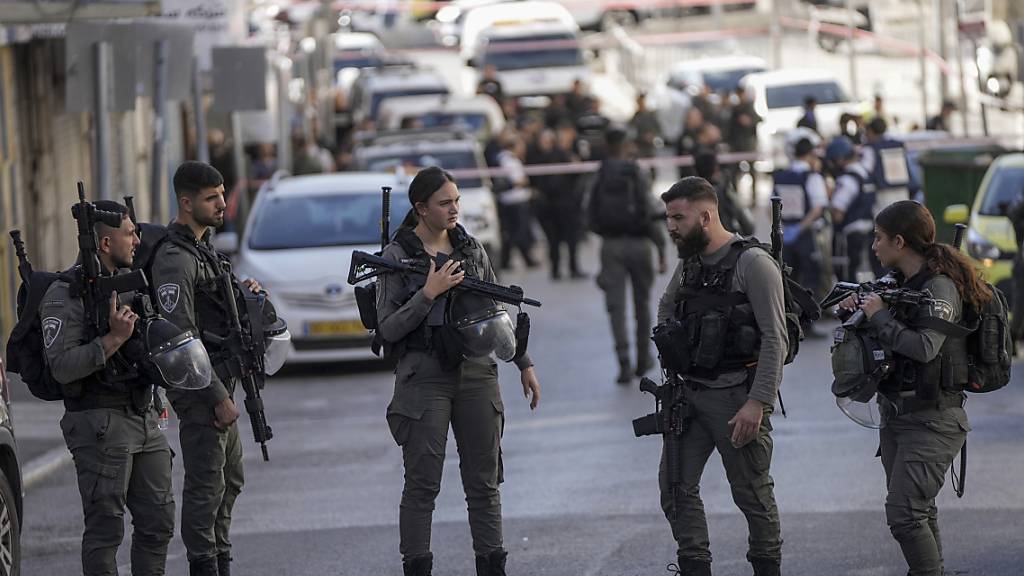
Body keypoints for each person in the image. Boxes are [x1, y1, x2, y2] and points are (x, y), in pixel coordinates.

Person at [376, 166, 541, 576]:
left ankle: (492, 564)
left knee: (484, 482)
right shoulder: (396, 258)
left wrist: (523, 362)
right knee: (422, 484)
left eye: (456, 201)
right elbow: (387, 328)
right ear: (421, 208)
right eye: (444, 203)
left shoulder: (470, 249)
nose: (454, 210)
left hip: (476, 371)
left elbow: (495, 309)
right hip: (424, 375)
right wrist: (428, 293)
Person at [838, 200, 985, 576]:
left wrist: (879, 316)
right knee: (919, 510)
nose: (874, 246)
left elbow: (924, 347)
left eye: (879, 238)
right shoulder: (898, 283)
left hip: (933, 418)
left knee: (904, 514)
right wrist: (858, 312)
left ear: (899, 242)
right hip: (897, 415)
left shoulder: (939, 286)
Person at [656, 177, 787, 576]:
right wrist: (676, 348)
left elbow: (775, 339)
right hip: (689, 396)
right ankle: (695, 565)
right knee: (675, 489)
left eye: (678, 218)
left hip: (736, 400)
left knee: (752, 495)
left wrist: (757, 402)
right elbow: (666, 307)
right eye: (668, 218)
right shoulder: (691, 262)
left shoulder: (753, 264)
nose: (671, 227)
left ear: (706, 216)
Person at [41, 201, 176, 575]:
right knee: (105, 531)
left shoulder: (130, 284)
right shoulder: (64, 294)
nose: (136, 240)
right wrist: (112, 340)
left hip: (144, 416)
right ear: (104, 242)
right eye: (129, 233)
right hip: (99, 422)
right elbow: (61, 366)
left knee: (158, 522)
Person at [149, 162, 264, 576]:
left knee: (230, 479)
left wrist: (246, 295)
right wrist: (216, 397)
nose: (221, 204)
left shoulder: (204, 250)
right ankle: (204, 564)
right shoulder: (175, 260)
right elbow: (180, 336)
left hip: (218, 381)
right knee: (206, 488)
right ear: (186, 202)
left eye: (222, 194)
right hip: (199, 389)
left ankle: (220, 558)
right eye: (211, 197)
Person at [589, 127, 667, 384]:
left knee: (616, 307)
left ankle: (623, 362)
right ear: (626, 145)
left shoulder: (601, 173)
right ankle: (643, 358)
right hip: (640, 244)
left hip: (611, 246)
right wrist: (661, 248)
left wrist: (606, 234)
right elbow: (648, 209)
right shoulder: (637, 172)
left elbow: (589, 213)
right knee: (642, 304)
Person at [773, 136, 828, 303]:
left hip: (785, 234)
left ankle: (791, 314)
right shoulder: (812, 177)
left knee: (789, 279)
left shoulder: (781, 176)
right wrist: (800, 228)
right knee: (811, 279)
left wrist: (784, 227)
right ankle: (812, 315)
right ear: (811, 154)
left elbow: (772, 207)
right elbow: (818, 209)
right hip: (807, 234)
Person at [827, 136, 883, 282]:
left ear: (840, 159)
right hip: (870, 231)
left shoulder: (847, 179)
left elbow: (837, 213)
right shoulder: (865, 173)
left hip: (850, 236)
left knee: (849, 280)